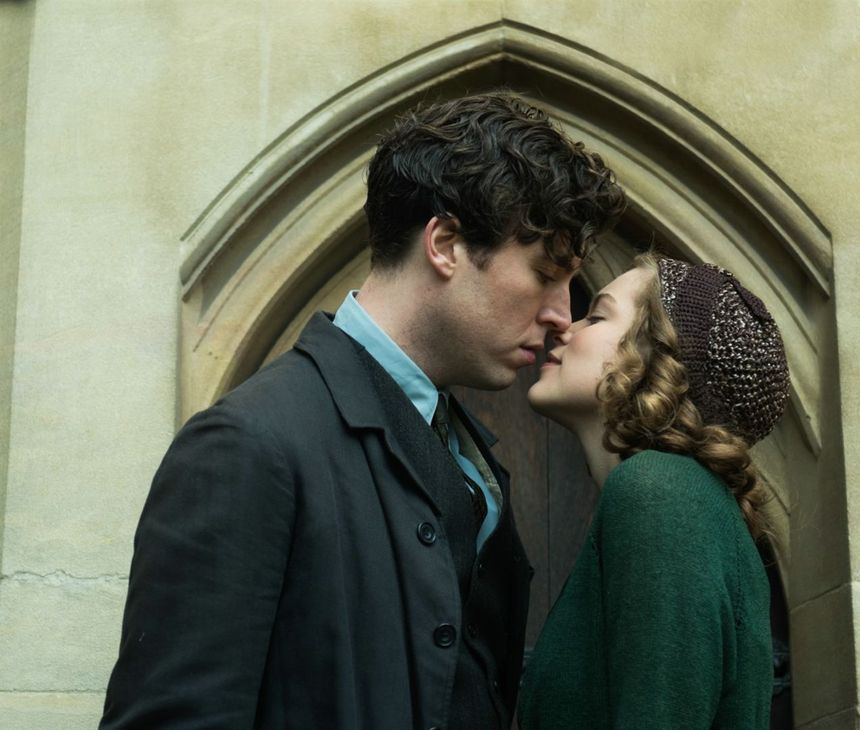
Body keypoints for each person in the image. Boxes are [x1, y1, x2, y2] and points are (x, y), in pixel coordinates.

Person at [101, 92, 626, 729]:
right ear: (445, 244)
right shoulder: (246, 444)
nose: (562, 316)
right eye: (545, 273)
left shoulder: (469, 457)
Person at [518, 253, 789, 729]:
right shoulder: (679, 497)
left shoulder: (661, 493)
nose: (565, 326)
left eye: (596, 316)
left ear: (659, 363)